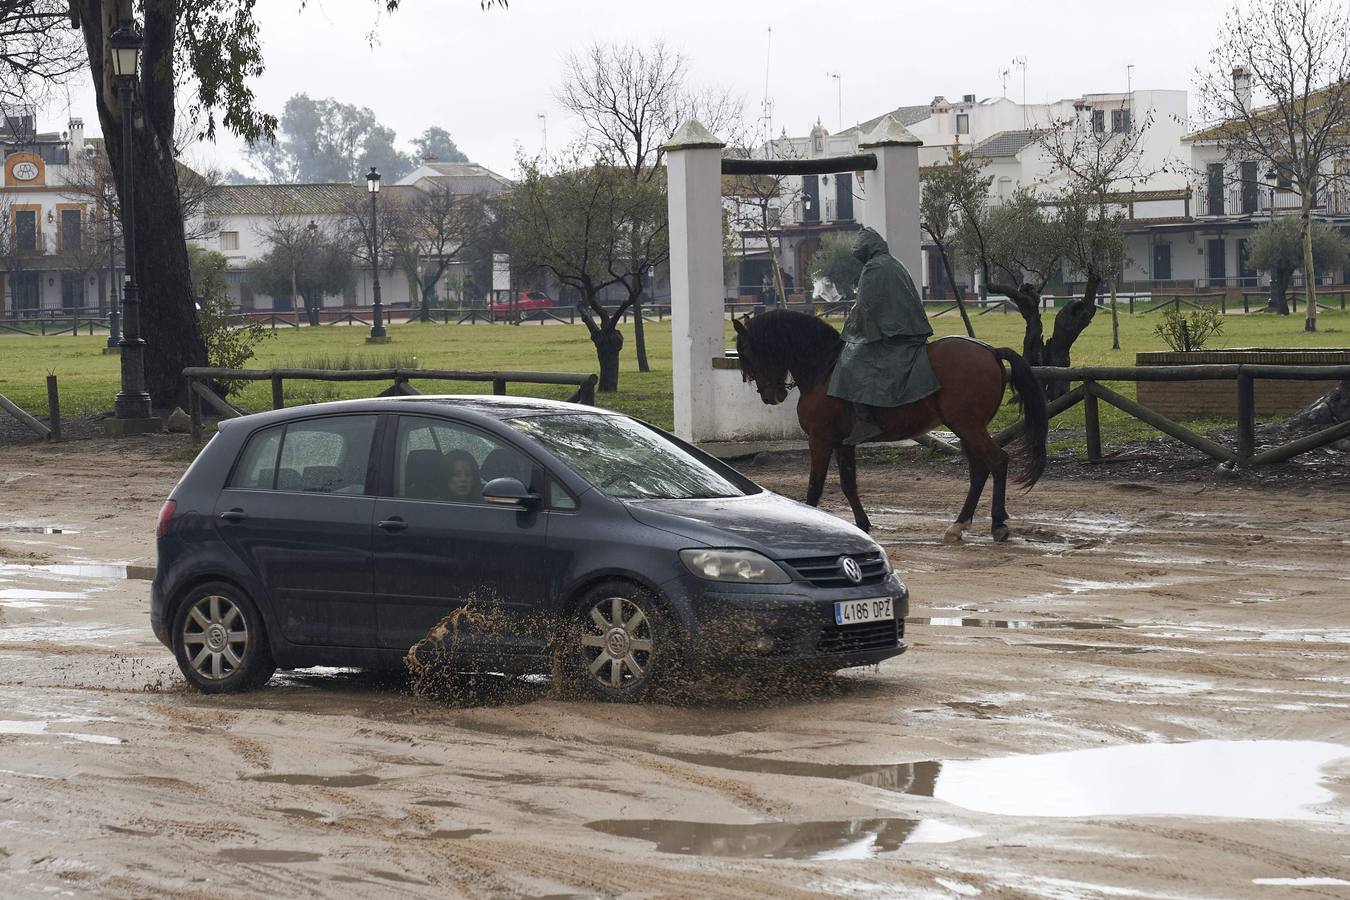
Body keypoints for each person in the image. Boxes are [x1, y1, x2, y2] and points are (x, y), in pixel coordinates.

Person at [827, 227, 941, 445]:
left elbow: (865, 308)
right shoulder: (894, 264)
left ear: (866, 250)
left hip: (895, 335)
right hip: (909, 330)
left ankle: (866, 419)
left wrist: (849, 332)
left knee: (850, 363)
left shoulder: (874, 268)